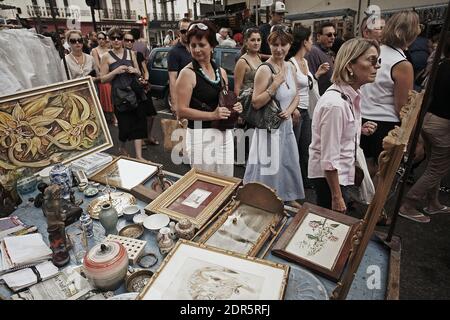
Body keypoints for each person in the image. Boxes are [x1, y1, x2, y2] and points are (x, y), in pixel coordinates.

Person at [308, 38, 381, 212]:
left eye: (378, 61)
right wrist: (337, 196)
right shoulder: (336, 104)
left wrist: (358, 130)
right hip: (330, 178)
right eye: (371, 60)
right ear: (349, 66)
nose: (376, 66)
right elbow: (329, 159)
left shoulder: (349, 95)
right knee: (330, 224)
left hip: (339, 173)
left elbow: (337, 135)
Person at [243, 25, 304, 209]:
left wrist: (291, 109)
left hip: (285, 127)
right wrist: (274, 85)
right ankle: (266, 201)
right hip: (270, 130)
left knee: (286, 163)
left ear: (290, 45)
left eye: (283, 44)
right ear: (269, 44)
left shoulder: (290, 67)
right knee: (269, 168)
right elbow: (255, 102)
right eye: (275, 44)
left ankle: (286, 196)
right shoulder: (264, 70)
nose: (279, 49)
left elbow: (296, 95)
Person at [175, 20, 243, 177]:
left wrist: (235, 108)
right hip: (200, 136)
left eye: (201, 45)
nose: (197, 50)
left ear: (212, 45)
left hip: (224, 132)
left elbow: (224, 101)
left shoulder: (221, 72)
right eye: (193, 46)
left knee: (226, 180)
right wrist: (212, 115)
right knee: (205, 184)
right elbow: (181, 110)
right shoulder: (187, 74)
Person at [360, 11, 421, 178]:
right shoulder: (402, 64)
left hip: (364, 118)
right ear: (411, 33)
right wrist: (415, 137)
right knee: (381, 176)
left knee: (366, 170)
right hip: (385, 125)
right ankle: (373, 203)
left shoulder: (373, 52)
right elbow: (403, 108)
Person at [399, 34, 450, 223]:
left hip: (430, 119)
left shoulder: (440, 65)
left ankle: (433, 202)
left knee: (434, 165)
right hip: (442, 123)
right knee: (436, 168)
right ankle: (409, 203)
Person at [286, 26, 330, 189]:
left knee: (306, 148)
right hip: (296, 112)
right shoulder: (290, 64)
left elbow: (307, 84)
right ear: (304, 42)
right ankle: (290, 183)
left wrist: (317, 74)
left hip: (307, 111)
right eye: (310, 39)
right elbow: (288, 88)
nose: (312, 43)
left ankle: (304, 181)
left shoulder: (304, 61)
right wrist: (294, 109)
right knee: (293, 150)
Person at [100, 27, 147, 161]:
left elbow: (139, 72)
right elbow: (103, 79)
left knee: (139, 124)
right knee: (124, 127)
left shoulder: (131, 53)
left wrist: (134, 70)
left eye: (119, 38)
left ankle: (139, 156)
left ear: (122, 39)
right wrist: (115, 71)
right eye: (113, 38)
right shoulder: (106, 57)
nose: (116, 40)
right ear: (109, 40)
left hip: (134, 93)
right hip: (119, 96)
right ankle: (122, 147)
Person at [123, 32, 159, 147]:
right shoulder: (121, 57)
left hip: (142, 86)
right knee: (138, 115)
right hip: (130, 89)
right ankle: (140, 139)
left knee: (151, 114)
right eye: (127, 40)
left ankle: (148, 136)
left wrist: (146, 80)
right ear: (123, 41)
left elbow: (145, 70)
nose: (129, 42)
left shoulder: (138, 55)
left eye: (131, 41)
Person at [167, 18, 192, 115]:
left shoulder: (196, 48)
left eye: (188, 31)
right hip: (183, 99)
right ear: (179, 32)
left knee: (198, 127)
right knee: (184, 128)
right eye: (183, 31)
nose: (186, 33)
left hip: (197, 99)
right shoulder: (174, 52)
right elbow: (172, 79)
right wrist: (174, 103)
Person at [91, 31, 116, 126]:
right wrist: (105, 75)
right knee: (107, 94)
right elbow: (97, 65)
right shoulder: (95, 50)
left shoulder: (109, 49)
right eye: (99, 38)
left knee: (114, 94)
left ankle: (114, 115)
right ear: (97, 40)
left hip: (112, 74)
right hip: (103, 75)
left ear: (106, 39)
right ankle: (112, 116)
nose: (101, 40)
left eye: (103, 38)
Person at [305, 22, 335, 95]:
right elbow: (310, 80)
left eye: (334, 34)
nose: (333, 37)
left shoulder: (329, 52)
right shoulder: (313, 52)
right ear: (318, 36)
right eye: (329, 35)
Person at [234, 28, 262, 96]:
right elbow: (237, 88)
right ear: (246, 42)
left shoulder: (259, 56)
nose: (256, 43)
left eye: (258, 40)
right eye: (253, 40)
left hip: (259, 98)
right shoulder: (242, 62)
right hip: (247, 102)